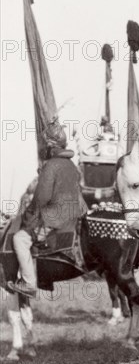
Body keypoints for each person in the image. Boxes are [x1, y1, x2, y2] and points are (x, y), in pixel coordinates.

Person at [8, 121, 86, 297]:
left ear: (50, 145)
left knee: (20, 239)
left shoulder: (51, 166)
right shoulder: (71, 166)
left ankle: (29, 284)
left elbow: (40, 199)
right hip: (74, 216)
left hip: (55, 218)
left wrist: (27, 218)